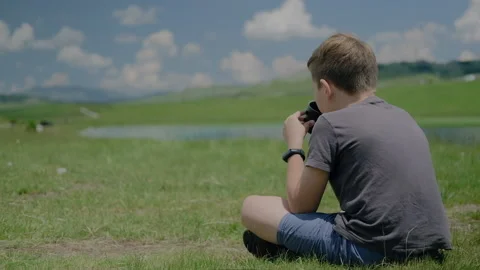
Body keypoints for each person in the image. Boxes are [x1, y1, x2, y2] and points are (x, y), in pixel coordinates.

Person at [240, 33, 452, 266]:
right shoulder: (403, 115)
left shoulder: (330, 125)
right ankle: (290, 247)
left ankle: (286, 246)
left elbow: (301, 205)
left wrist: (294, 145)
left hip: (371, 248)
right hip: (427, 245)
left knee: (252, 207)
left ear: (325, 88)